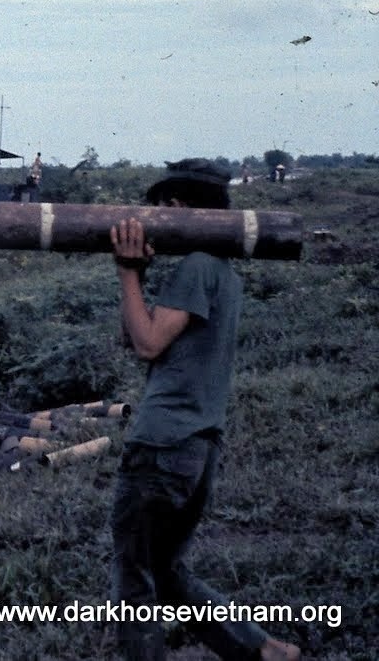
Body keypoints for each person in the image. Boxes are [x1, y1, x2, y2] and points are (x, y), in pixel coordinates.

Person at [108, 158, 299, 661]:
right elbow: (137, 337)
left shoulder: (196, 266)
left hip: (163, 444)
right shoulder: (222, 271)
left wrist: (128, 272)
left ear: (179, 208)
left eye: (162, 208)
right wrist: (135, 277)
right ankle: (263, 650)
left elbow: (146, 345)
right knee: (166, 573)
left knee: (134, 584)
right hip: (198, 446)